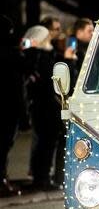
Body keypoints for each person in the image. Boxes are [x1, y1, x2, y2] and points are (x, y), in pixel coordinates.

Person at [22, 25, 65, 190]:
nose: (50, 40)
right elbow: (52, 82)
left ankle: (41, 178)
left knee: (44, 144)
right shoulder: (42, 56)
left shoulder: (29, 55)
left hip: (39, 106)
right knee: (47, 145)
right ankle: (43, 179)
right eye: (46, 37)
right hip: (47, 106)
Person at [0, 16, 28, 196]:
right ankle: (2, 181)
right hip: (8, 107)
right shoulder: (11, 54)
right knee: (4, 146)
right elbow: (17, 85)